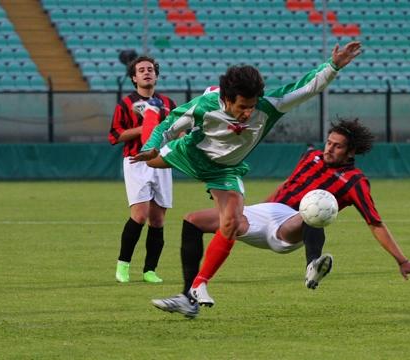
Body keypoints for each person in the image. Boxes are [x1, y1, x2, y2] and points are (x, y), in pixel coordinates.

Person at [131, 41, 362, 304]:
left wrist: (333, 66)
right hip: (190, 155)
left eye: (251, 105)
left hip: (224, 171)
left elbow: (307, 87)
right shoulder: (205, 106)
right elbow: (168, 126)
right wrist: (151, 146)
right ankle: (149, 111)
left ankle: (197, 288)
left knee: (231, 221)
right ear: (226, 99)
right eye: (242, 106)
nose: (248, 112)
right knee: (149, 160)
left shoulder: (267, 107)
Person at [151, 119, 410, 318]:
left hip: (294, 225)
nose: (329, 148)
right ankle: (188, 297)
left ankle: (312, 265)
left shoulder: (355, 181)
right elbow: (288, 184)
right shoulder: (311, 156)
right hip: (268, 212)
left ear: (351, 152)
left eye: (337, 146)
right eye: (329, 142)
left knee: (314, 206)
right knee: (193, 220)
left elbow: (375, 223)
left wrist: (402, 260)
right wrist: (258, 208)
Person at [108, 55, 177, 283]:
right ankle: (123, 266)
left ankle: (149, 270)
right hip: (136, 161)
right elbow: (115, 135)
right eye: (141, 70)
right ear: (134, 77)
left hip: (162, 161)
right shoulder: (126, 104)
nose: (147, 72)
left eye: (150, 69)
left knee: (157, 220)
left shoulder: (168, 103)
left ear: (156, 75)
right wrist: (146, 126)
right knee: (139, 215)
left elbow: (179, 130)